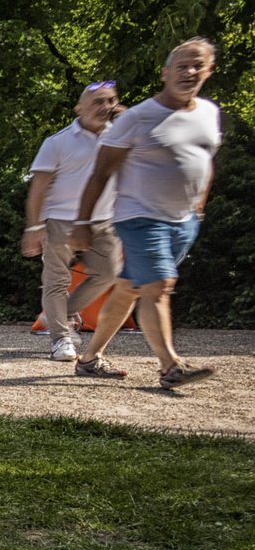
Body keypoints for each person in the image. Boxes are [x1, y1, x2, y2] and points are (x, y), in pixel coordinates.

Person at [72, 38, 221, 389]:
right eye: (182, 65)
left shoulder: (208, 113)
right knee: (157, 286)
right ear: (165, 73)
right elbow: (101, 173)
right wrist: (82, 223)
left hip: (184, 221)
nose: (190, 72)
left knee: (128, 289)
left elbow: (205, 161)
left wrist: (199, 206)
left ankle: (89, 359)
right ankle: (171, 366)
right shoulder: (137, 118)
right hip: (139, 216)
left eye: (198, 65)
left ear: (209, 71)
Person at [21, 81, 125, 361]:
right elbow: (38, 187)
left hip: (103, 221)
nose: (105, 107)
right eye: (98, 102)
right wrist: (34, 227)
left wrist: (128, 117)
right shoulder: (57, 142)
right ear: (80, 108)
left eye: (111, 101)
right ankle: (61, 340)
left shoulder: (121, 136)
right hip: (61, 221)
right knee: (56, 281)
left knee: (109, 274)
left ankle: (56, 314)